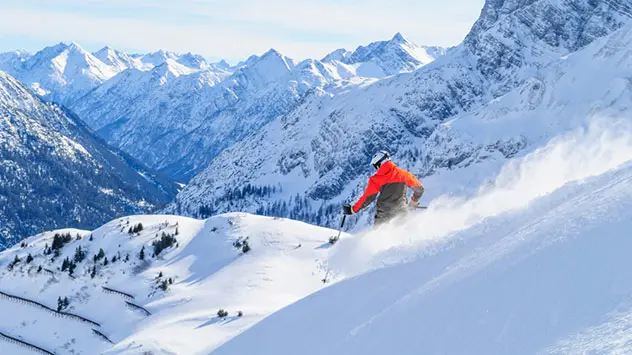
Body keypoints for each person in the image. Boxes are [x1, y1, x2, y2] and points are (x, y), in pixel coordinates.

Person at [343, 151, 424, 225]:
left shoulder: (375, 179)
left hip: (384, 215)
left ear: (379, 164)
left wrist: (353, 210)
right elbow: (420, 188)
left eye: (375, 166)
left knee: (380, 239)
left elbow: (367, 198)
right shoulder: (404, 174)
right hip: (402, 212)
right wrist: (414, 202)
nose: (375, 168)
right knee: (402, 238)